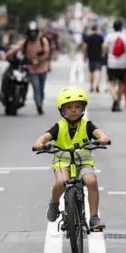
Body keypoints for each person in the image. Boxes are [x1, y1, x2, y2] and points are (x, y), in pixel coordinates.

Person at [32, 87, 110, 229]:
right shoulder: (59, 126)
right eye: (69, 107)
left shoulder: (87, 125)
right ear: (62, 109)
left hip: (83, 161)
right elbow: (46, 136)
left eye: (77, 107)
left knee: (91, 181)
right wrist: (39, 143)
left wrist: (102, 137)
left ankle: (94, 217)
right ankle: (54, 204)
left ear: (83, 108)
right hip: (63, 161)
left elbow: (97, 132)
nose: (73, 110)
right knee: (61, 182)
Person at [3, 21, 50, 115]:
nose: (32, 35)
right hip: (31, 69)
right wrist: (7, 55)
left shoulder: (42, 40)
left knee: (41, 88)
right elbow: (16, 48)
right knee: (36, 87)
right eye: (30, 32)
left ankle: (40, 101)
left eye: (34, 32)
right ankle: (38, 105)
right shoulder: (25, 42)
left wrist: (39, 60)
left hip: (43, 68)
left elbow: (46, 52)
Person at [103, 20, 126, 112]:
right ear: (121, 27)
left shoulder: (109, 36)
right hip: (123, 63)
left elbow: (104, 49)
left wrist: (109, 51)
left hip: (111, 63)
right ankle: (119, 103)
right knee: (121, 83)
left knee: (111, 82)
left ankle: (115, 99)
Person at [83, 24, 104, 93]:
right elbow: (103, 46)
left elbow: (84, 47)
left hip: (91, 57)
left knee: (91, 72)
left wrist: (85, 55)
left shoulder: (88, 37)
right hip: (98, 57)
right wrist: (102, 54)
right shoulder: (100, 37)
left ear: (91, 29)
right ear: (96, 29)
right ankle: (97, 85)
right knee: (98, 71)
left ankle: (91, 86)